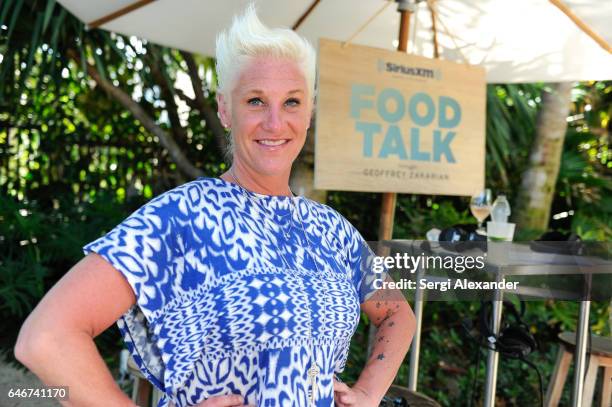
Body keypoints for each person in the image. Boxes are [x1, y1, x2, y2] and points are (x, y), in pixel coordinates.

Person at [15, 4, 416, 407]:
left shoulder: (331, 229)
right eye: (256, 101)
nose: (276, 123)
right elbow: (46, 339)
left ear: (309, 112)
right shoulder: (185, 216)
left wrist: (366, 394)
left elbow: (398, 316)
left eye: (292, 102)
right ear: (226, 109)